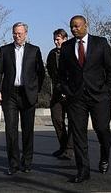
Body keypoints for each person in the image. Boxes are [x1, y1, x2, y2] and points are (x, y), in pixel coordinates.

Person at [58, 15, 111, 183]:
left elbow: (110, 69)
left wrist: (107, 90)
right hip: (76, 98)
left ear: (85, 26)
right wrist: (67, 90)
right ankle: (83, 170)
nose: (74, 29)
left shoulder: (101, 43)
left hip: (99, 96)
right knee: (78, 135)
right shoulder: (67, 47)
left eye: (76, 26)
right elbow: (62, 74)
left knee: (102, 129)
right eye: (71, 27)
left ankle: (105, 157)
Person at [0, 22, 46, 175]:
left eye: (20, 33)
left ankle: (27, 162)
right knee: (11, 131)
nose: (17, 36)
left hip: (28, 95)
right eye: (15, 33)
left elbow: (41, 73)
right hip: (10, 95)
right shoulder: (4, 50)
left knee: (28, 131)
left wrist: (36, 91)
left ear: (26, 34)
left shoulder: (34, 51)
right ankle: (13, 164)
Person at [46, 28, 73, 160]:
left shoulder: (73, 51)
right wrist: (59, 88)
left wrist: (68, 90)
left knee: (73, 121)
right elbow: (51, 73)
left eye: (58, 39)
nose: (56, 41)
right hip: (57, 92)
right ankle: (63, 146)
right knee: (57, 119)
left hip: (72, 93)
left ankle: (70, 148)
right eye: (55, 39)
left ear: (65, 39)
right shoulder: (52, 54)